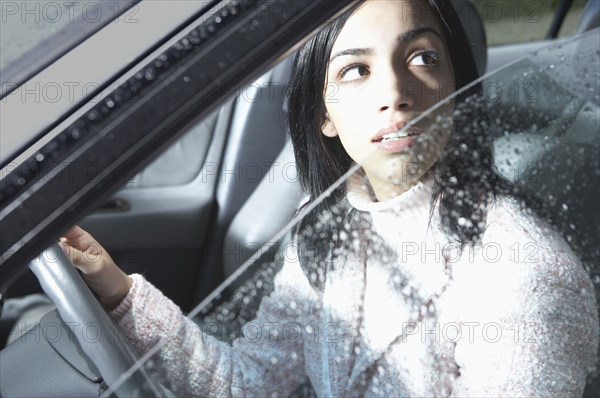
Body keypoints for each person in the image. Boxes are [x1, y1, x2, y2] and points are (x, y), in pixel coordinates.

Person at [60, 0, 599, 396]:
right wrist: (116, 290)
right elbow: (246, 385)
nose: (394, 92)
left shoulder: (521, 275)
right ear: (323, 115)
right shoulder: (327, 226)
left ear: (457, 84)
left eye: (422, 58)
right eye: (356, 70)